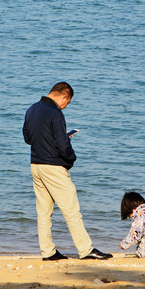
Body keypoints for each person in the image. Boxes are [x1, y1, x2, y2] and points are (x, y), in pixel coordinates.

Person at [23, 82, 112, 261]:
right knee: (71, 210)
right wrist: (71, 158)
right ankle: (86, 250)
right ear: (64, 97)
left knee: (43, 212)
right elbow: (63, 147)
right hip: (54, 167)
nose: (65, 106)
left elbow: (28, 138)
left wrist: (54, 137)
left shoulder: (31, 109)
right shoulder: (56, 113)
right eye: (67, 103)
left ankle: (48, 252)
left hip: (36, 165)